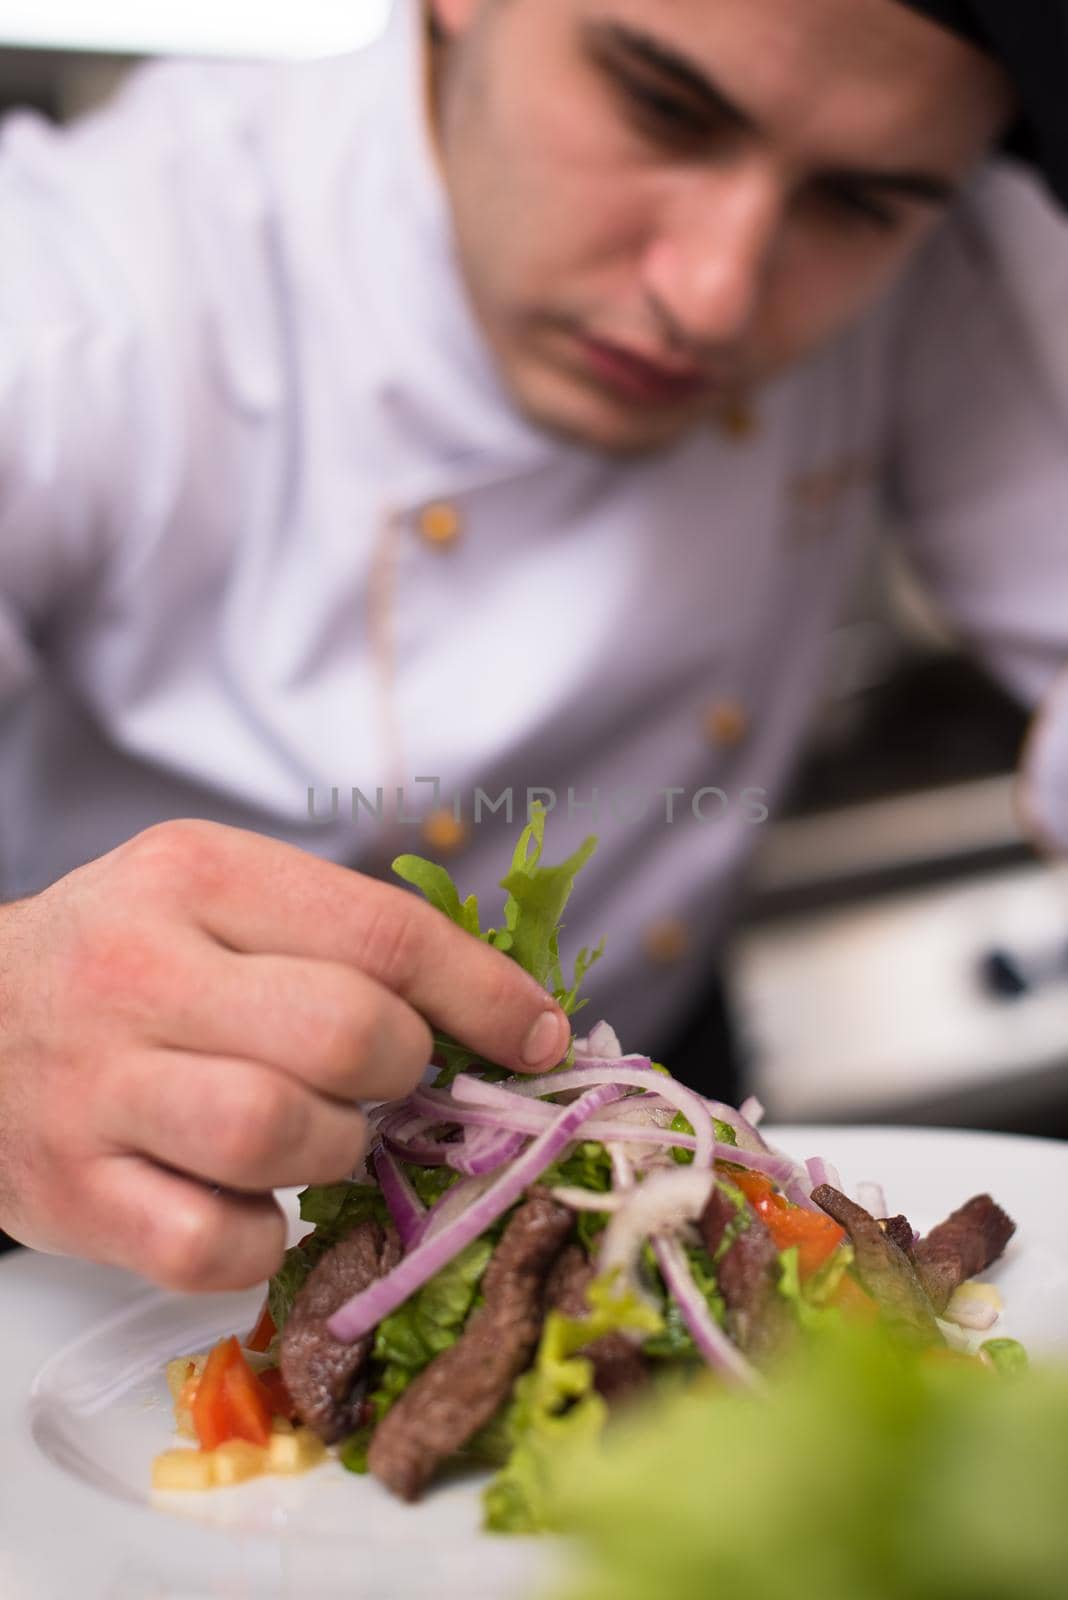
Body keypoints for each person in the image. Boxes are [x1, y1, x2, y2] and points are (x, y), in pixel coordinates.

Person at [0, 0, 1065, 1288]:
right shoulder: (79, 291)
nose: (710, 295)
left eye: (856, 202)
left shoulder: (944, 261)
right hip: (101, 1195)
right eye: (661, 107)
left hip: (644, 1109)